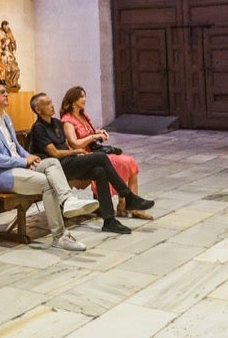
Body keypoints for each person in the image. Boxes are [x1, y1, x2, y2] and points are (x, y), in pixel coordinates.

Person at [0, 81, 95, 251]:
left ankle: (68, 200)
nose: (7, 94)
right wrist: (24, 161)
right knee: (46, 182)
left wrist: (28, 156)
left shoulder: (6, 118)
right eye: (2, 92)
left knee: (52, 162)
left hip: (17, 167)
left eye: (7, 92)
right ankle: (60, 236)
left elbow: (16, 148)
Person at [28, 92, 151, 235]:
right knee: (101, 158)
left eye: (51, 102)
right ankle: (128, 196)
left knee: (100, 171)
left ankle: (109, 220)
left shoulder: (56, 123)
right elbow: (54, 153)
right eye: (47, 103)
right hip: (56, 167)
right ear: (38, 110)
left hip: (69, 162)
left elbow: (65, 145)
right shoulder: (38, 128)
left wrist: (75, 153)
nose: (52, 105)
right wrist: (75, 152)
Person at [61, 86, 150, 219]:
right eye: (81, 97)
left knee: (129, 162)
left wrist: (99, 132)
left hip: (95, 152)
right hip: (83, 155)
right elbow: (74, 143)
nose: (84, 99)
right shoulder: (68, 120)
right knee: (112, 162)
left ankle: (129, 203)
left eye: (85, 96)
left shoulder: (83, 116)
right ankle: (125, 201)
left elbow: (90, 131)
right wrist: (93, 137)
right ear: (73, 100)